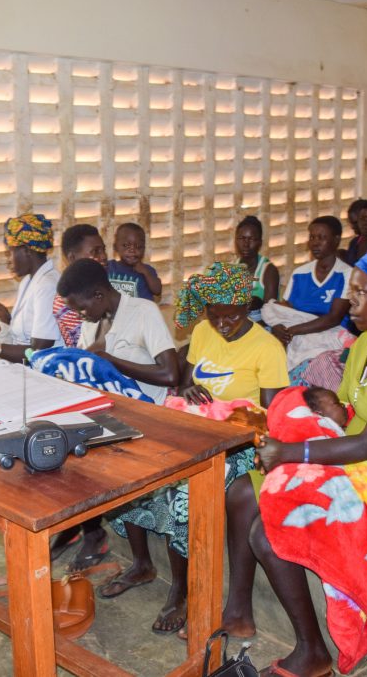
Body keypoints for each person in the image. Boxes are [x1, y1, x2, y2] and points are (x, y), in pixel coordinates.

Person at [251, 238, 367, 677]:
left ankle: (312, 650)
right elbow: (341, 416)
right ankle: (238, 609)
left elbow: (366, 444)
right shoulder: (365, 345)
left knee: (267, 531)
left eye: (361, 292)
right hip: (352, 471)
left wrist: (289, 453)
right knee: (244, 492)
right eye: (350, 290)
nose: (349, 301)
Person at [97, 262, 288, 637]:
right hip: (197, 429)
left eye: (231, 316)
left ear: (246, 307)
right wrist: (187, 391)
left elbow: (271, 421)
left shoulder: (266, 348)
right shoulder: (202, 331)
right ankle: (142, 564)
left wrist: (230, 417)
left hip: (240, 445)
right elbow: (185, 383)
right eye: (214, 315)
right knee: (136, 466)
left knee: (182, 496)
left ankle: (182, 590)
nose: (222, 324)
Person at [55, 258, 181, 571]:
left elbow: (169, 374)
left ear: (99, 295)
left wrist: (110, 360)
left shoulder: (142, 312)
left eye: (81, 308)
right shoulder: (91, 323)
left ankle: (101, 539)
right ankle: (115, 547)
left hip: (150, 418)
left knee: (101, 465)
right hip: (113, 416)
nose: (80, 316)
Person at [0, 213, 62, 362]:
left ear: (27, 251)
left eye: (10, 253)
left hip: (42, 371)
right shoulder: (28, 281)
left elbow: (38, 351)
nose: (8, 261)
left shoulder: (47, 287)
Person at [271, 215, 353, 348]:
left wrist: (292, 331)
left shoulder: (346, 274)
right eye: (312, 237)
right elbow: (285, 309)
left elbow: (334, 318)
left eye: (322, 238)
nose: (315, 243)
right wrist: (277, 325)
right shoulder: (300, 273)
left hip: (331, 339)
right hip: (296, 337)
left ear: (336, 240)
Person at [51, 223, 108, 348]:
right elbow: (91, 348)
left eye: (103, 250)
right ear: (72, 258)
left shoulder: (106, 283)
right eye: (96, 252)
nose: (103, 256)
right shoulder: (67, 301)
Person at [233, 215, 279, 320]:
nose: (246, 244)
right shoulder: (232, 268)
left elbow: (269, 312)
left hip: (261, 327)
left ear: (260, 243)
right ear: (235, 241)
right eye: (241, 238)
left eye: (251, 239)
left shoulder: (268, 270)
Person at [106, 222, 162, 301]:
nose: (132, 250)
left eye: (138, 246)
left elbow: (157, 291)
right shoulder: (109, 267)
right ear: (115, 247)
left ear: (144, 249)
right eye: (126, 245)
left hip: (140, 312)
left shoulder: (147, 270)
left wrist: (146, 273)